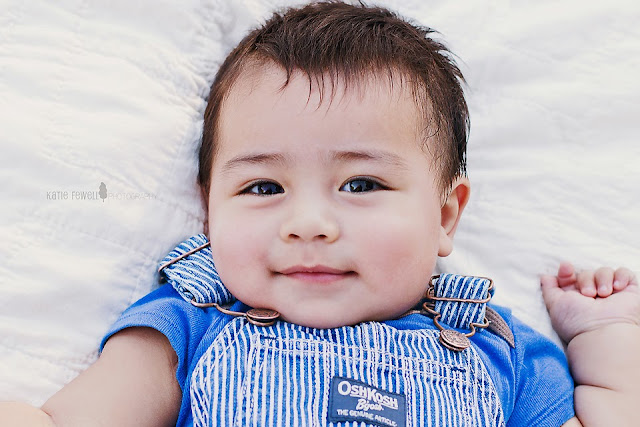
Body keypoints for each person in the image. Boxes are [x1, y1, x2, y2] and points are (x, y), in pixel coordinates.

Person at [2, 1, 639, 426]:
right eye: (262, 187)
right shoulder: (192, 322)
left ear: (445, 217)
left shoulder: (496, 348)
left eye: (361, 183)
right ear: (208, 213)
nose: (308, 223)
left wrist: (604, 337)